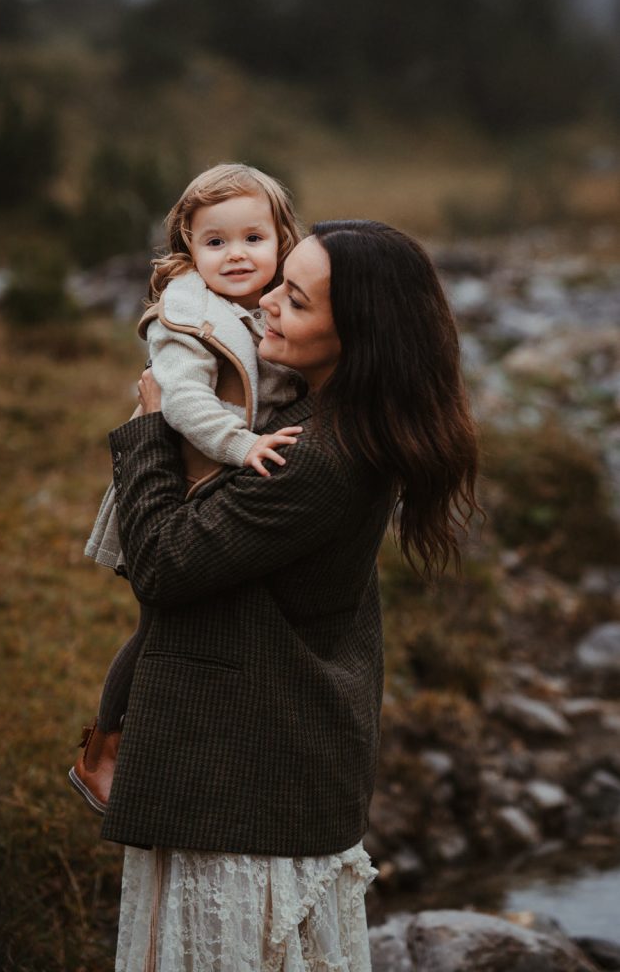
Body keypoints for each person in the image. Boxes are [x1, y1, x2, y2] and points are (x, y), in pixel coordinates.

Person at [99, 219, 480, 971]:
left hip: (246, 784)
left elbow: (162, 564)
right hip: (268, 766)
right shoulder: (328, 420)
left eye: (296, 301)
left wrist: (149, 427)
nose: (266, 302)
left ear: (356, 338)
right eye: (280, 283)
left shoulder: (317, 456)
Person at [71, 165, 305, 815]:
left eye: (253, 238)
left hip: (214, 487)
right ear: (188, 248)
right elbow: (181, 401)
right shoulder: (185, 318)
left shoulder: (266, 306)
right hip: (175, 488)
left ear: (282, 241)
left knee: (192, 624)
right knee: (158, 625)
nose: (236, 255)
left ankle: (167, 745)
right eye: (215, 242)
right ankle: (102, 751)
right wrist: (241, 444)